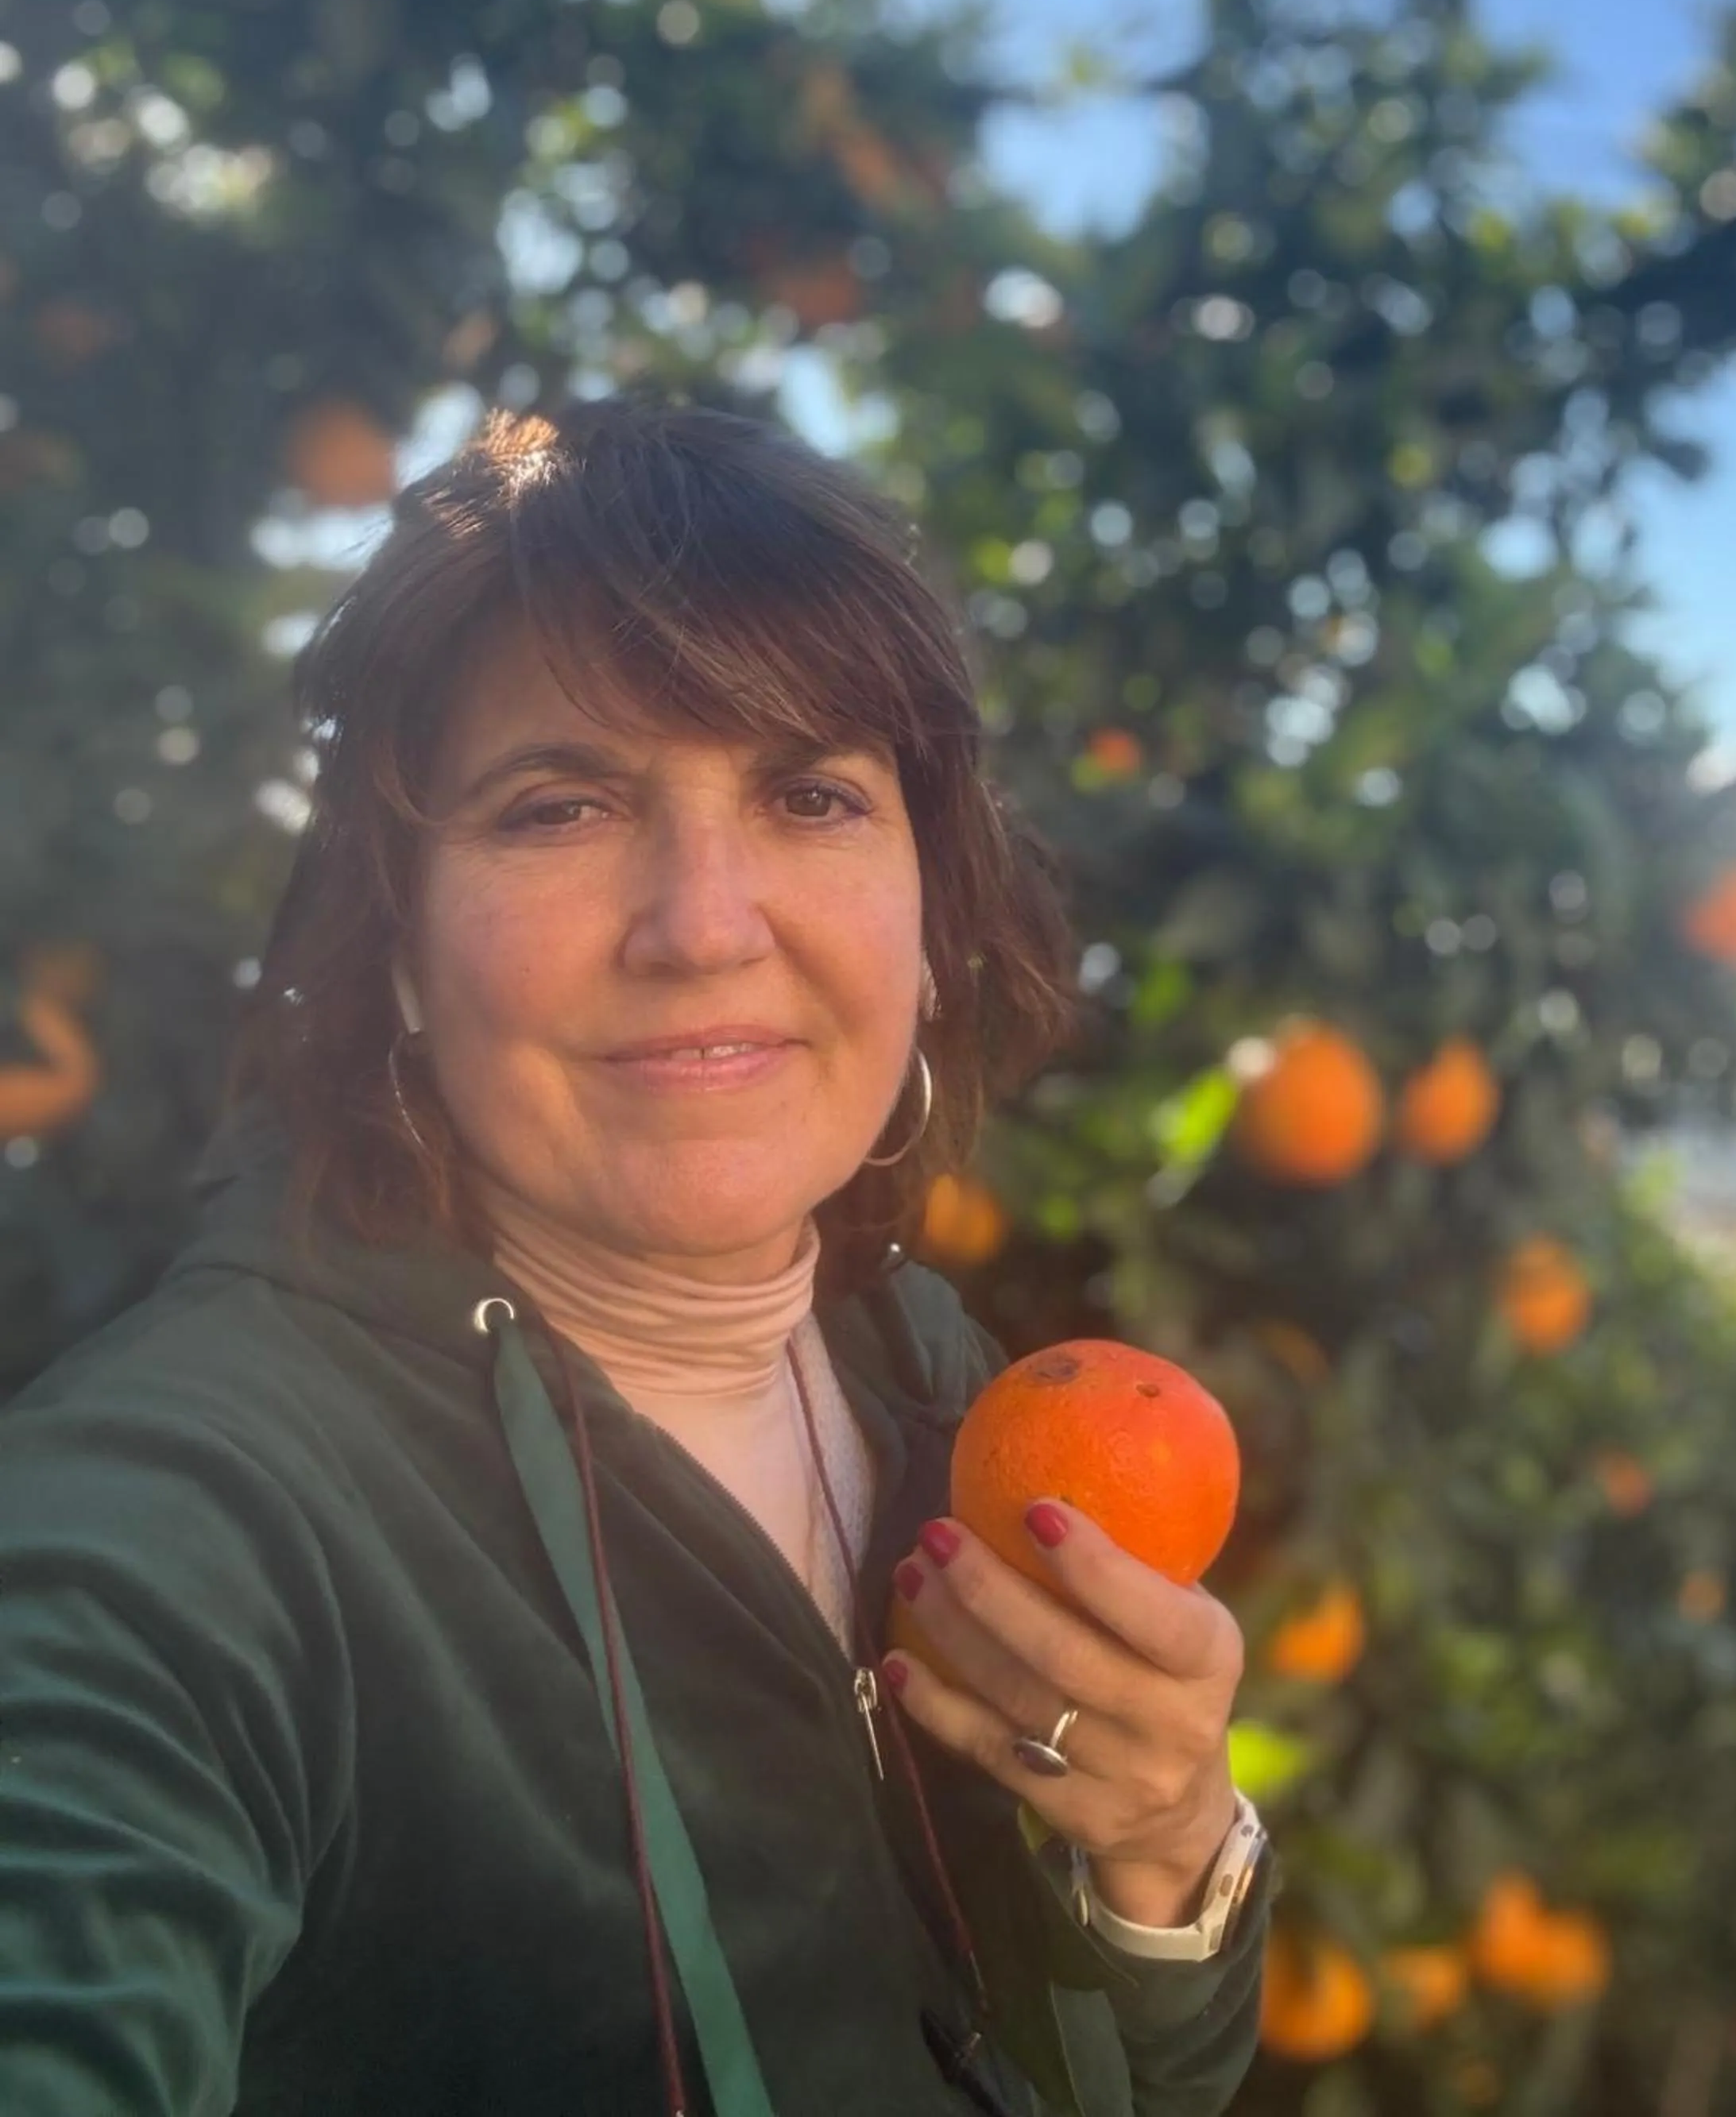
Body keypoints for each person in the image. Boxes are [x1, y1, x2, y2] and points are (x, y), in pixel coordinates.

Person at [0, 397, 1276, 2116]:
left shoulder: (928, 1380)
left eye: (811, 794)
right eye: (560, 806)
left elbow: (1125, 2082)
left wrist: (1162, 1851)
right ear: (396, 942)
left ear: (925, 917)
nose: (701, 924)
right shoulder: (194, 1519)